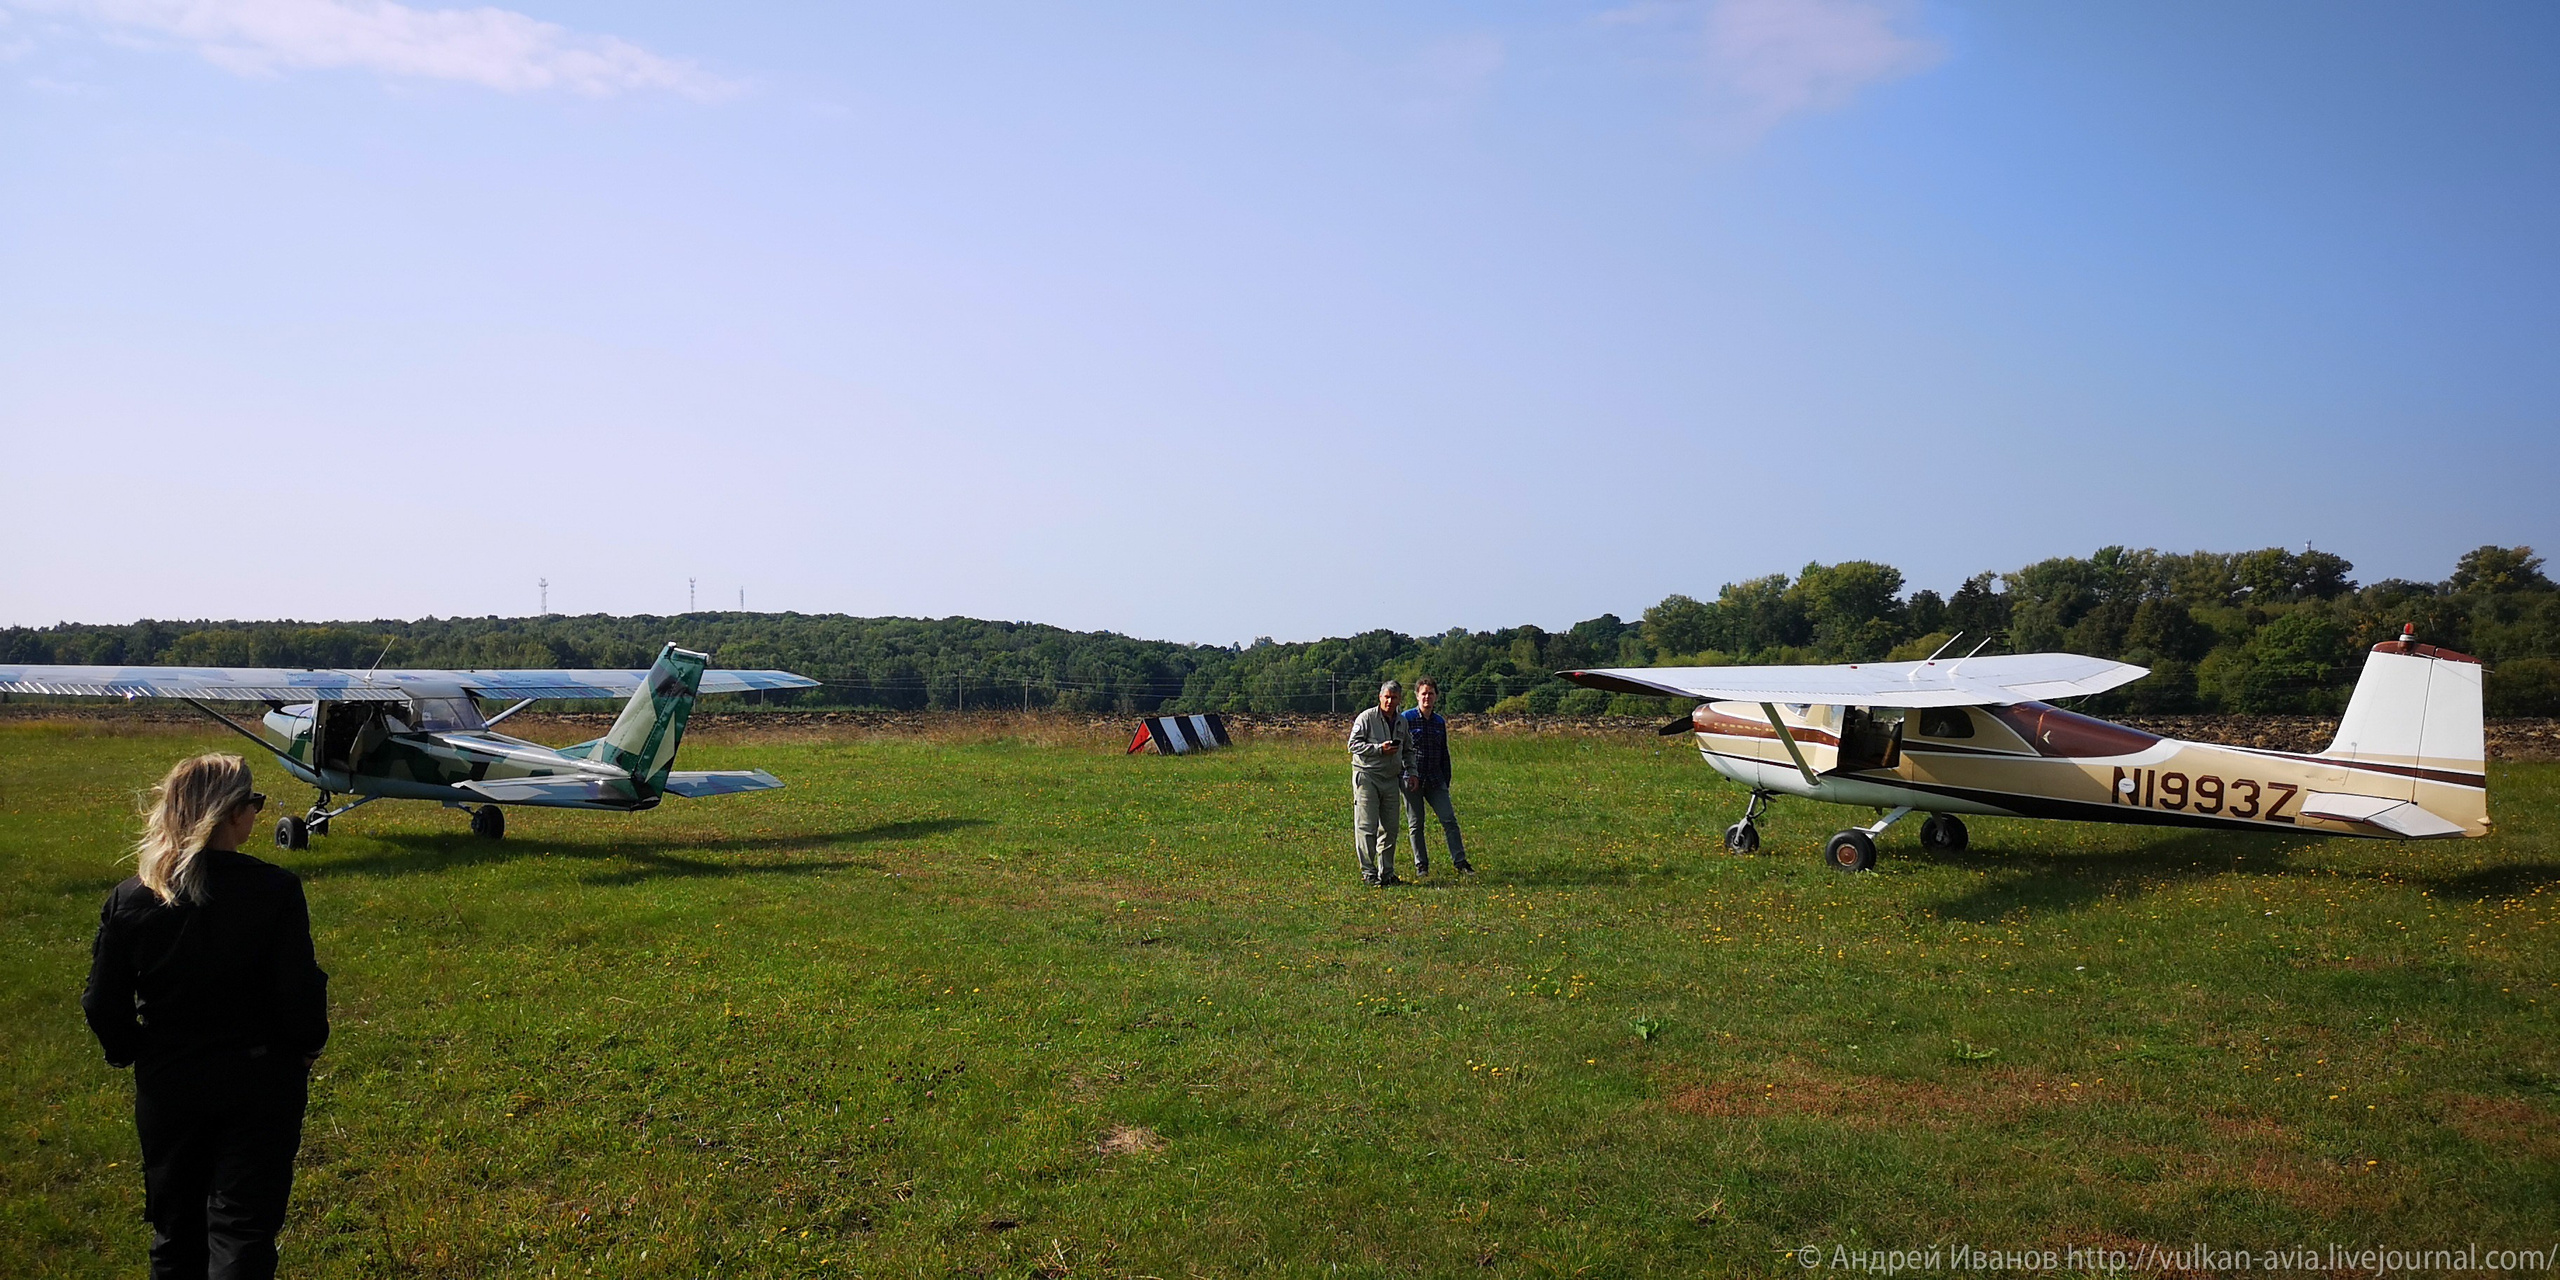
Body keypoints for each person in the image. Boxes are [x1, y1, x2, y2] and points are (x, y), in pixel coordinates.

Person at [84, 753, 329, 1280]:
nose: (259, 814)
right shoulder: (274, 891)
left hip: (170, 1082)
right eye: (256, 803)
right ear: (231, 813)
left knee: (175, 1234)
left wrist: (133, 1051)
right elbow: (299, 993)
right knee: (243, 1230)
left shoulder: (132, 898)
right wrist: (307, 1048)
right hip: (259, 1079)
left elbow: (102, 1003)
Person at [1401, 677, 1472, 875]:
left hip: (1435, 779)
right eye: (1423, 694)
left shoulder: (1439, 722)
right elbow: (1400, 750)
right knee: (1416, 824)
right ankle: (1421, 865)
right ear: (1417, 696)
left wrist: (1445, 779)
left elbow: (1444, 752)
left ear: (1436, 697)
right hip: (1412, 780)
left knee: (1449, 820)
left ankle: (1460, 862)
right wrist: (1403, 776)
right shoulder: (1406, 719)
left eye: (1430, 694)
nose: (1427, 698)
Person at [1345, 680, 1413, 886]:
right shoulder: (1366, 718)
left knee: (1390, 829)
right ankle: (1369, 873)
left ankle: (1387, 873)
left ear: (1400, 699)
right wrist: (1378, 749)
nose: (1390, 701)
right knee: (1367, 826)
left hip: (1391, 779)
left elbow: (1409, 750)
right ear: (1380, 697)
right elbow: (1353, 745)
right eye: (1387, 697)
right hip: (1367, 777)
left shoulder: (1402, 722)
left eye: (1394, 698)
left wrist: (1412, 772)